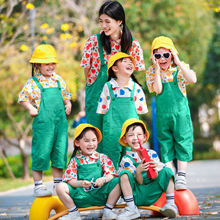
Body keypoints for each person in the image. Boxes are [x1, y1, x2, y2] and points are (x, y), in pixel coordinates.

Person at [81, 0, 145, 134]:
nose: (103, 25)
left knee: (123, 137)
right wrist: (92, 86)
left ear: (119, 21)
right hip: (96, 96)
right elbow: (86, 68)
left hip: (123, 98)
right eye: (101, 21)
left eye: (107, 21)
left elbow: (136, 70)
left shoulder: (132, 44)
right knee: (97, 138)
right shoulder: (93, 41)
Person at [18, 44, 72, 197]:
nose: (50, 66)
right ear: (37, 64)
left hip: (60, 125)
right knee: (41, 152)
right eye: (46, 63)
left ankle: (58, 184)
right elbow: (23, 98)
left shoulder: (58, 80)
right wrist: (30, 108)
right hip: (43, 125)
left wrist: (68, 105)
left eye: (52, 63)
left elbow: (67, 97)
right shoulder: (33, 82)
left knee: (59, 151)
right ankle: (38, 185)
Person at [145, 36, 197, 190]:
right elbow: (158, 90)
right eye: (158, 55)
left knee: (183, 141)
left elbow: (192, 79)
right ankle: (171, 174)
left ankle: (181, 175)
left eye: (166, 55)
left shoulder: (180, 69)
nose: (162, 59)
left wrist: (179, 62)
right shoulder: (151, 72)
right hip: (163, 116)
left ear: (172, 55)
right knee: (165, 144)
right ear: (153, 58)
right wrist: (156, 70)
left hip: (180, 115)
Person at [56, 123, 121, 220]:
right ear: (77, 143)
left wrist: (103, 179)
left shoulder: (102, 157)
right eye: (86, 141)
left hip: (101, 194)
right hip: (82, 196)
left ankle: (108, 210)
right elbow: (70, 180)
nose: (91, 144)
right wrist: (81, 183)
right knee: (60, 186)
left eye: (94, 140)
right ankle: (74, 213)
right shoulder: (75, 160)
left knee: (119, 180)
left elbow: (111, 174)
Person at [117, 118, 178, 219]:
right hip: (136, 194)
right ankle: (131, 209)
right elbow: (139, 182)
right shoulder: (126, 160)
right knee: (124, 175)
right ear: (125, 139)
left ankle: (171, 204)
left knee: (167, 170)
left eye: (139, 134)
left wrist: (155, 171)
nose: (135, 138)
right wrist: (138, 172)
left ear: (144, 137)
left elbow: (155, 178)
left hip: (152, 193)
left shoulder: (152, 154)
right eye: (131, 135)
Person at [96, 52, 148, 170]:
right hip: (112, 131)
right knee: (111, 156)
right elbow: (102, 110)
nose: (130, 63)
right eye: (125, 61)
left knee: (132, 157)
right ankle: (112, 184)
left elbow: (140, 110)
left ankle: (132, 182)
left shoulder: (136, 88)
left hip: (131, 133)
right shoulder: (108, 87)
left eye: (131, 62)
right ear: (115, 68)